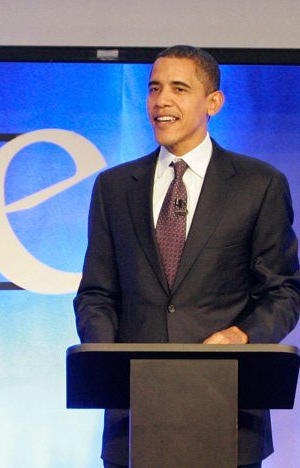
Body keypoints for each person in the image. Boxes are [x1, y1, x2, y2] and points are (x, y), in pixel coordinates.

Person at [74, 45, 300, 468]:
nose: (162, 101)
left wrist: (243, 335)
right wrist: (108, 361)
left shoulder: (259, 184)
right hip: (133, 418)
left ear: (213, 102)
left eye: (179, 89)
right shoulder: (114, 187)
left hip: (228, 410)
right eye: (154, 88)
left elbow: (283, 292)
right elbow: (96, 294)